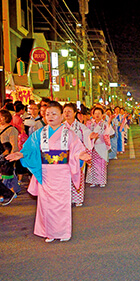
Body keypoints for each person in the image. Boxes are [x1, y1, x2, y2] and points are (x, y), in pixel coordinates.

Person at [7, 101, 91, 243]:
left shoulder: (68, 133)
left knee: (62, 203)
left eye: (54, 114)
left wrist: (80, 155)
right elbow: (30, 148)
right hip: (46, 171)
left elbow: (77, 148)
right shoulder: (40, 133)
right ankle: (49, 232)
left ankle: (63, 232)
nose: (50, 117)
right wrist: (21, 154)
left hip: (62, 172)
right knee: (46, 204)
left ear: (61, 116)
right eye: (47, 114)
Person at [63, 103, 94, 207]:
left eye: (69, 111)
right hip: (65, 154)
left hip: (78, 155)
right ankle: (67, 198)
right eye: (65, 111)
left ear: (75, 113)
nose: (67, 114)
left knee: (78, 175)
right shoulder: (61, 126)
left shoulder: (80, 126)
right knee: (65, 177)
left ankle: (77, 198)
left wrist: (90, 136)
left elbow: (87, 133)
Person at [86, 107, 114, 188]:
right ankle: (93, 181)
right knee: (92, 164)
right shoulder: (90, 124)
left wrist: (109, 123)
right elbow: (86, 134)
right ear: (93, 115)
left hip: (101, 146)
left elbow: (110, 132)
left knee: (101, 163)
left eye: (99, 113)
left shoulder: (104, 124)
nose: (97, 115)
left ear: (102, 115)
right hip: (92, 145)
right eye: (95, 113)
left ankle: (101, 181)